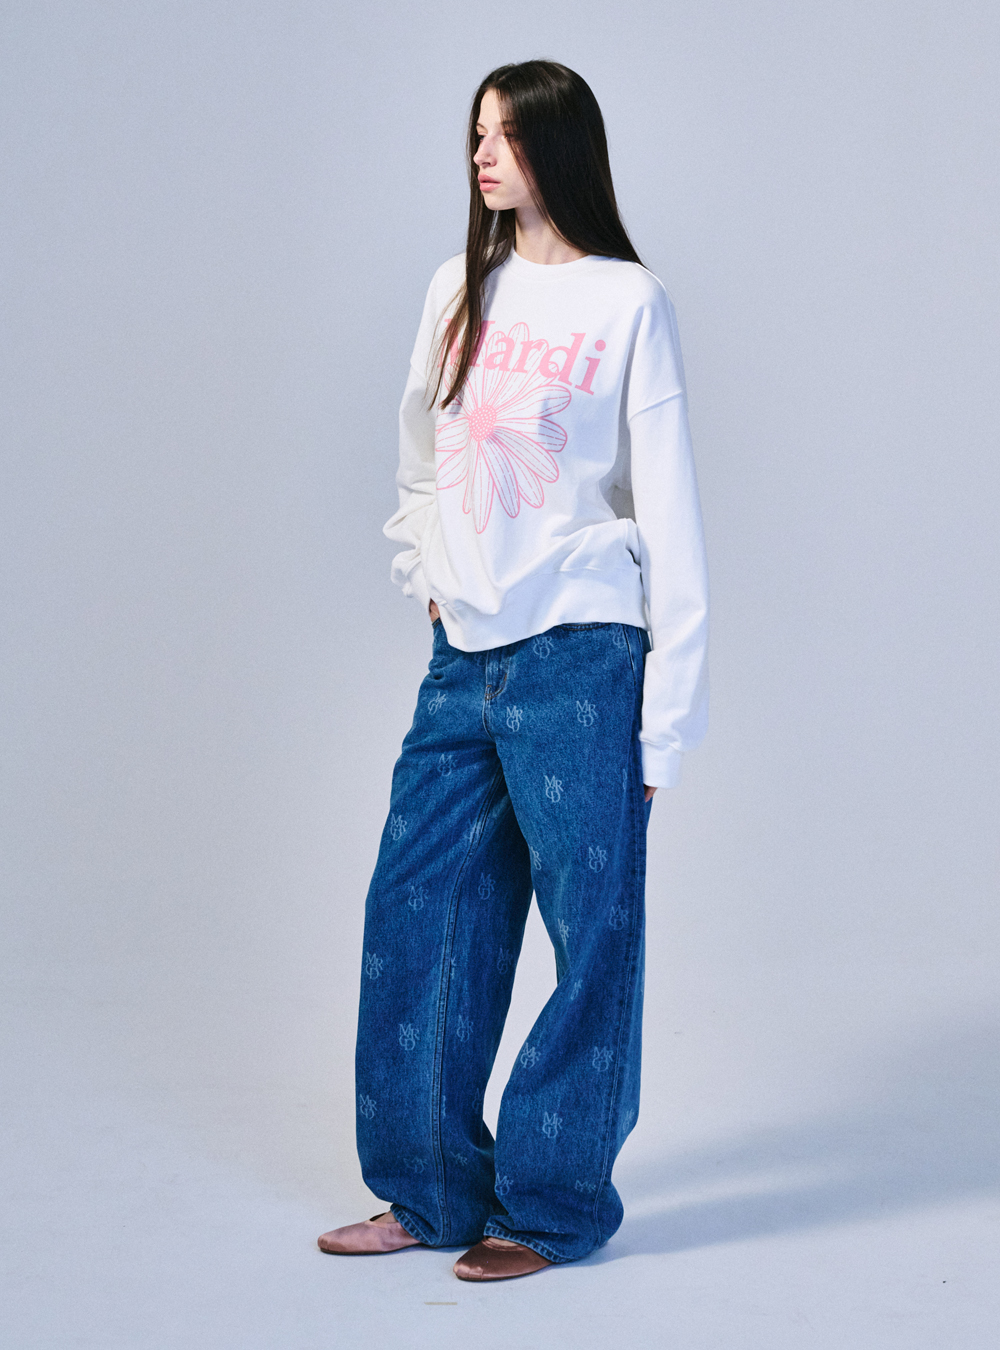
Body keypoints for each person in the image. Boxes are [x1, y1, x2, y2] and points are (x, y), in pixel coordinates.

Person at [318, 59, 708, 1282]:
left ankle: (549, 1205)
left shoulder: (629, 300)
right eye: (475, 134)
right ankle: (431, 1192)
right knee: (417, 914)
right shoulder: (459, 286)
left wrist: (665, 723)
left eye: (506, 135)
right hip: (462, 656)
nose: (482, 155)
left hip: (583, 655)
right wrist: (425, 569)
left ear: (560, 148)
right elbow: (420, 454)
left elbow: (668, 511)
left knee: (591, 935)